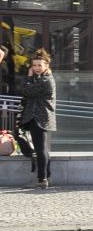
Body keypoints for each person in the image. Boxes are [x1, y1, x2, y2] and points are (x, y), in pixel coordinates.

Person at [17, 49, 55, 188]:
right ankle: (47, 176)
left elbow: (25, 90)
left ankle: (42, 179)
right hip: (40, 118)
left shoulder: (46, 80)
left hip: (40, 118)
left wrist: (28, 77)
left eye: (40, 65)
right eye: (34, 65)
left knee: (40, 149)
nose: (37, 68)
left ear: (46, 66)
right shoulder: (40, 79)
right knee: (43, 149)